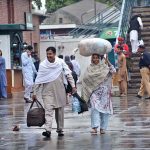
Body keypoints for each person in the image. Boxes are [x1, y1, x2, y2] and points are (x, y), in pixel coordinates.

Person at [33, 47, 76, 138]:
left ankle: (60, 129)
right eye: (47, 54)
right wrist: (34, 92)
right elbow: (39, 79)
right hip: (47, 92)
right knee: (48, 111)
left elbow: (68, 74)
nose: (49, 56)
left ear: (54, 54)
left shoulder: (60, 62)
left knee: (59, 111)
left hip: (60, 91)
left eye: (50, 54)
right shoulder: (43, 65)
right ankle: (48, 130)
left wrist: (73, 86)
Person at [82, 54, 116, 134]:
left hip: (105, 92)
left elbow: (113, 71)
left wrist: (108, 62)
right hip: (94, 91)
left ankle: (103, 128)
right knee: (94, 108)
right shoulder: (89, 68)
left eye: (97, 58)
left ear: (100, 59)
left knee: (104, 110)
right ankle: (94, 127)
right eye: (94, 58)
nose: (95, 59)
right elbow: (85, 79)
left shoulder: (105, 67)